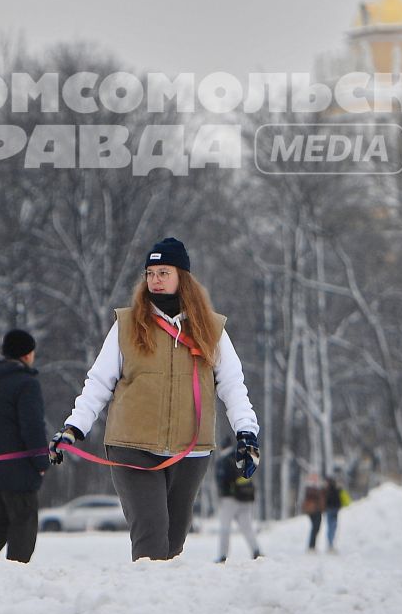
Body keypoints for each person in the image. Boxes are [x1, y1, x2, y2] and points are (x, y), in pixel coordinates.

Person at [52, 237, 260, 561]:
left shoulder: (212, 329)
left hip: (190, 451)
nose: (155, 280)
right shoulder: (127, 325)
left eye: (164, 272)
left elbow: (233, 384)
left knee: (173, 544)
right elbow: (98, 383)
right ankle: (143, 611)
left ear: (183, 277)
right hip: (133, 447)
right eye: (150, 273)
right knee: (151, 541)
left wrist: (246, 432)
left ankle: (160, 606)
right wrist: (73, 427)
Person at [0, 328, 50, 563]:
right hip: (18, 468)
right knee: (24, 521)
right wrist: (41, 460)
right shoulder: (25, 384)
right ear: (27, 355)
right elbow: (32, 426)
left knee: (4, 519)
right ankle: (17, 572)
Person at [214, 441, 262, 562]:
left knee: (225, 528)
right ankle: (256, 550)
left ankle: (222, 555)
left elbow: (221, 479)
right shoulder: (241, 457)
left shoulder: (224, 459)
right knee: (247, 527)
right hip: (245, 497)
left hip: (230, 499)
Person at [302, 475, 328, 551]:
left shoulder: (318, 488)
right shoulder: (310, 488)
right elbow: (313, 497)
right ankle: (311, 545)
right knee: (315, 527)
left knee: (316, 528)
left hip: (317, 510)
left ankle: (312, 545)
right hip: (313, 510)